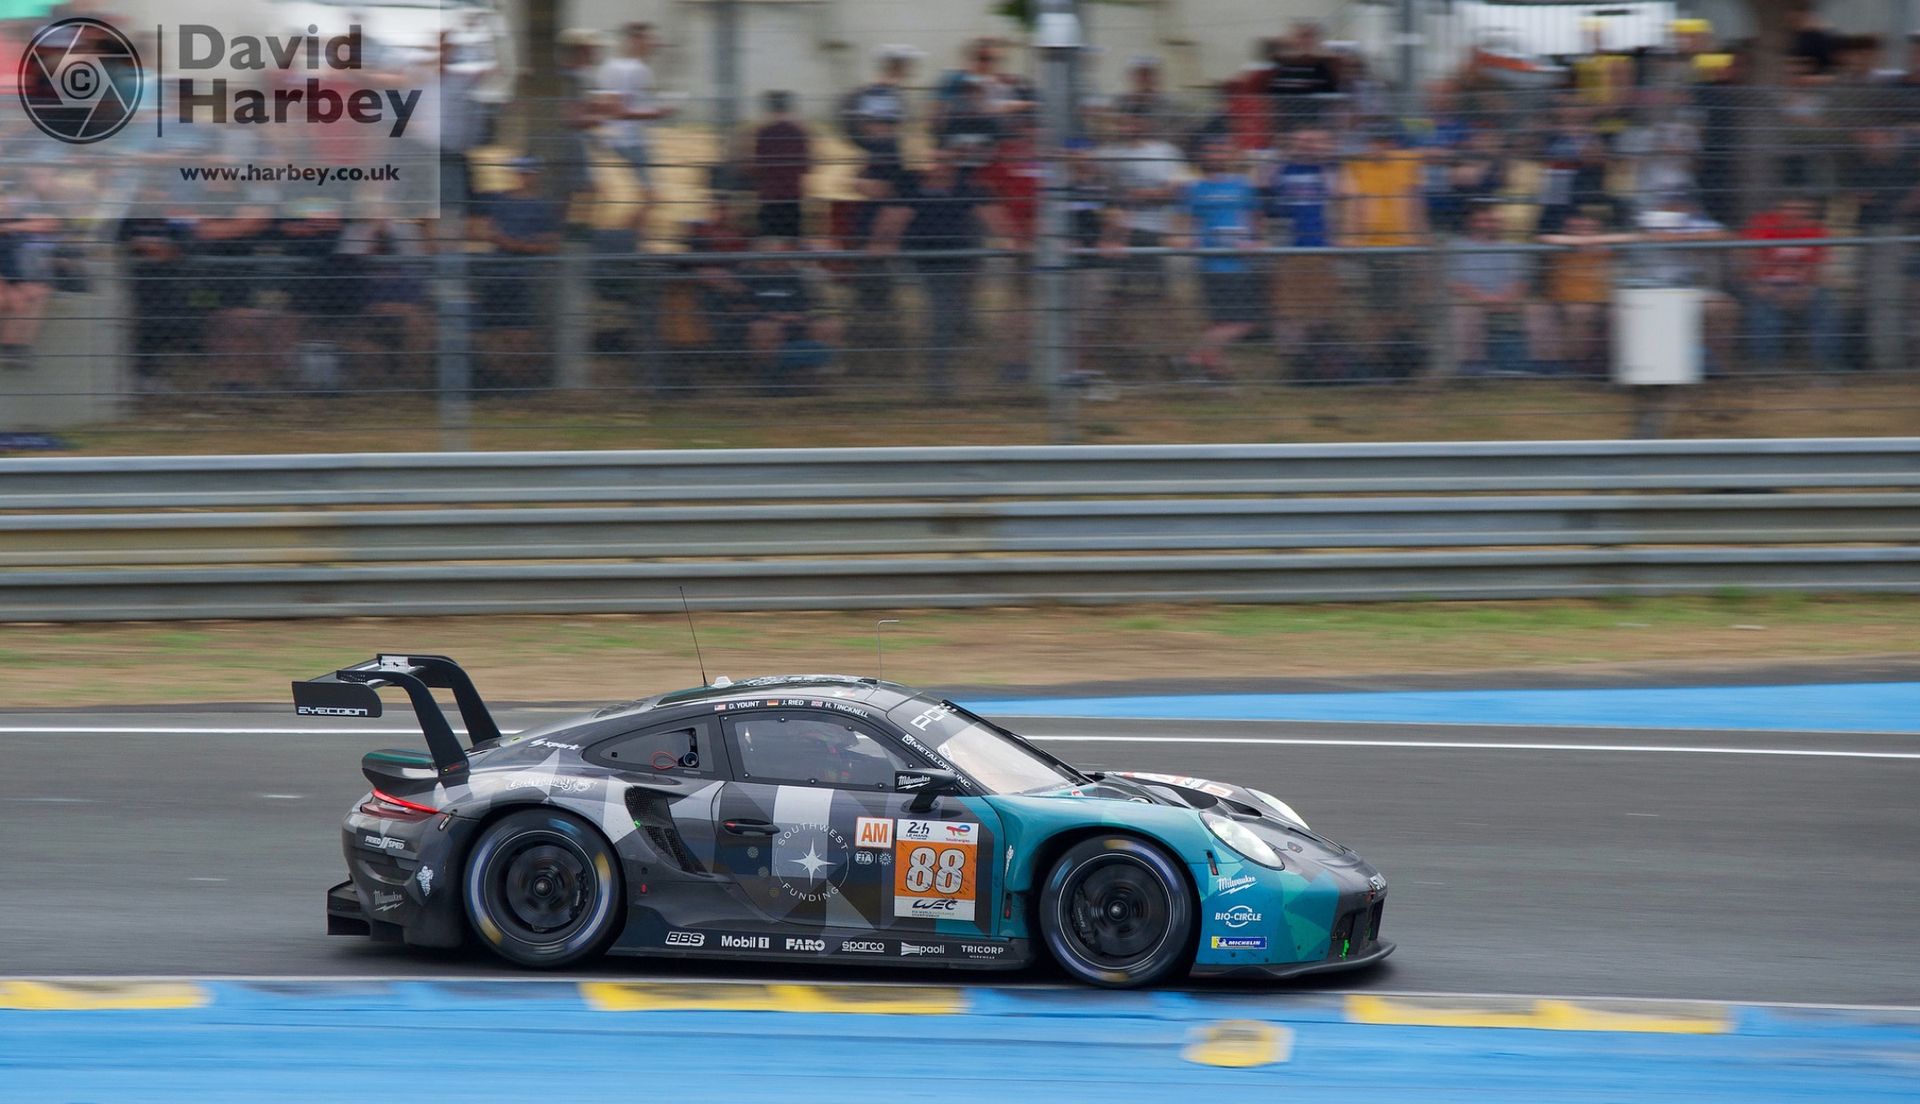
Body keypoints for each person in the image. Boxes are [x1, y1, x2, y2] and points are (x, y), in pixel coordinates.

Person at [870, 147, 1010, 400]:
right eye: (935, 160)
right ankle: (937, 379)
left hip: (959, 260)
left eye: (945, 161)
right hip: (925, 262)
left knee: (947, 316)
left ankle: (942, 372)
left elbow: (991, 216)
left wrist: (1007, 239)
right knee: (942, 316)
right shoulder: (913, 187)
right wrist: (882, 242)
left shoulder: (966, 188)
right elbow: (894, 218)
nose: (939, 166)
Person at [1173, 136, 1263, 382]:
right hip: (1212, 264)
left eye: (1222, 150)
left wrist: (1256, 239)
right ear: (1202, 156)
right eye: (1212, 150)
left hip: (1240, 263)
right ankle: (1200, 361)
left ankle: (1202, 362)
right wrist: (1183, 239)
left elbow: (1255, 218)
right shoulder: (1195, 189)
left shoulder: (1243, 185)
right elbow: (1182, 224)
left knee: (1240, 322)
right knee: (1229, 321)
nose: (1217, 155)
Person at [476, 158, 564, 391]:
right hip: (498, 276)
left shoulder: (543, 207)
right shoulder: (498, 201)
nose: (524, 177)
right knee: (498, 335)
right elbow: (489, 232)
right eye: (520, 172)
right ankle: (502, 383)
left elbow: (550, 244)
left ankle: (522, 384)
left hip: (527, 279)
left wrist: (515, 245)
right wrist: (524, 245)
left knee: (523, 334)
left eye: (528, 173)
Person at [1741, 194, 1838, 371]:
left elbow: (1818, 269)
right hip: (1767, 289)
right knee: (1763, 315)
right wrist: (1766, 289)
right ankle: (1766, 369)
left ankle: (1826, 367)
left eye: (1803, 211)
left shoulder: (1816, 231)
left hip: (1803, 290)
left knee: (1825, 306)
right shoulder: (1762, 225)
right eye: (1791, 209)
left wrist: (1805, 289)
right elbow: (1749, 266)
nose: (1796, 215)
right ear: (1779, 210)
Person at [1448, 204, 1534, 375]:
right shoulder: (1455, 246)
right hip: (1468, 300)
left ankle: (1538, 370)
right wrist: (1482, 299)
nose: (1486, 225)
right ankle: (1469, 371)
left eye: (1492, 221)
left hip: (1506, 301)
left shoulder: (1513, 248)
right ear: (1469, 222)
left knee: (1539, 312)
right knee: (1464, 313)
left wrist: (1506, 298)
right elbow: (1452, 281)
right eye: (1480, 220)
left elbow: (1522, 281)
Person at [597, 24, 673, 203]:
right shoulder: (635, 69)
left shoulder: (612, 66)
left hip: (618, 139)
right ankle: (629, 232)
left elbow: (612, 106)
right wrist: (657, 113)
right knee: (651, 198)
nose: (654, 44)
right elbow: (618, 110)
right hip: (631, 141)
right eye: (649, 39)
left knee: (647, 198)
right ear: (634, 41)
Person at [751, 91, 812, 240]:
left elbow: (757, 164)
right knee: (791, 240)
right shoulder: (798, 132)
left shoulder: (764, 132)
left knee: (769, 239)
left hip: (770, 196)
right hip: (792, 196)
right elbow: (806, 166)